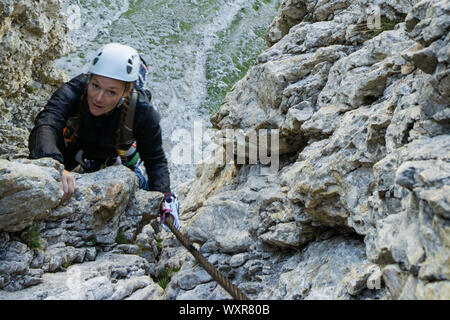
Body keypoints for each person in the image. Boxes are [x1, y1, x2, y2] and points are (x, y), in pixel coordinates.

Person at [28, 42, 180, 230]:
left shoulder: (142, 111)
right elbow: (47, 122)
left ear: (126, 92)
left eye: (111, 92)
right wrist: (53, 164)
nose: (99, 98)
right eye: (95, 86)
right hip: (75, 154)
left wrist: (164, 197)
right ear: (89, 79)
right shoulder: (76, 89)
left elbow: (155, 159)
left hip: (118, 163)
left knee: (137, 181)